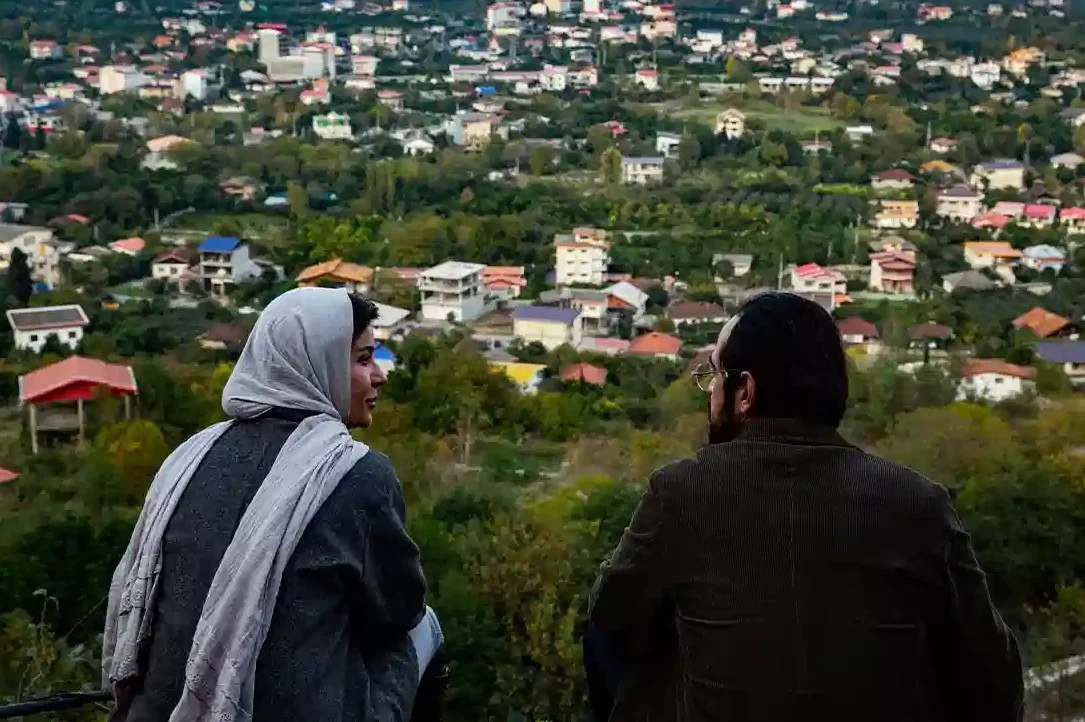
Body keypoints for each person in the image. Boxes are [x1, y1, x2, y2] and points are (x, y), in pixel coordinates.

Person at [587, 292, 1024, 722]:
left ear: (745, 393)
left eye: (716, 375)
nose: (711, 390)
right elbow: (993, 677)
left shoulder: (681, 494)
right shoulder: (919, 503)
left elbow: (610, 622)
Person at [103, 287, 443, 722]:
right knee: (423, 626)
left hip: (157, 710)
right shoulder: (356, 474)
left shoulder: (189, 455)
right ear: (316, 366)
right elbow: (401, 608)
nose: (379, 376)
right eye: (362, 359)